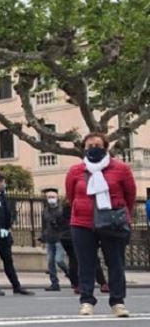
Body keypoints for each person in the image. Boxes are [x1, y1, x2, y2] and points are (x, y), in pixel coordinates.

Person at [66, 133, 136, 317]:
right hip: (82, 223)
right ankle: (87, 301)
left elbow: (130, 196)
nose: (93, 148)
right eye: (89, 146)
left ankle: (118, 302)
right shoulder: (75, 171)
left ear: (106, 147)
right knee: (85, 263)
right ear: (84, 148)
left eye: (97, 145)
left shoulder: (121, 169)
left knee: (115, 263)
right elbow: (71, 196)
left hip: (112, 222)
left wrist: (120, 214)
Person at [39, 187, 68, 292]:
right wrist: (42, 236)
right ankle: (54, 283)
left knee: (59, 260)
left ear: (57, 198)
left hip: (59, 238)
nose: (51, 199)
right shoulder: (45, 211)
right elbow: (44, 226)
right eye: (49, 197)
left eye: (53, 197)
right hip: (49, 238)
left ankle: (68, 272)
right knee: (50, 262)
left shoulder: (61, 210)